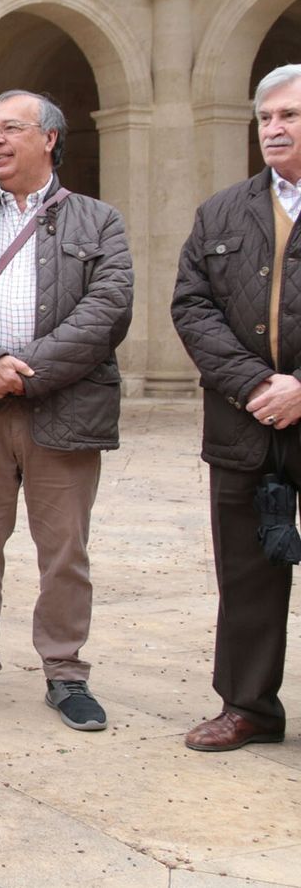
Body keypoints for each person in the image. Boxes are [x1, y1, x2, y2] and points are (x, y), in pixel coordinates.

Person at [0, 89, 133, 732]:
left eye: (12, 128)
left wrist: (28, 369)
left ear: (50, 139)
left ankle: (66, 673)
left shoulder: (100, 222)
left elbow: (108, 310)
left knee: (64, 549)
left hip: (63, 411)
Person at [171, 62, 301, 753]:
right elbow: (191, 308)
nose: (274, 129)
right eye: (266, 118)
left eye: (290, 116)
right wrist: (255, 385)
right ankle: (248, 706)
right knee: (246, 574)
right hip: (242, 423)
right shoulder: (221, 211)